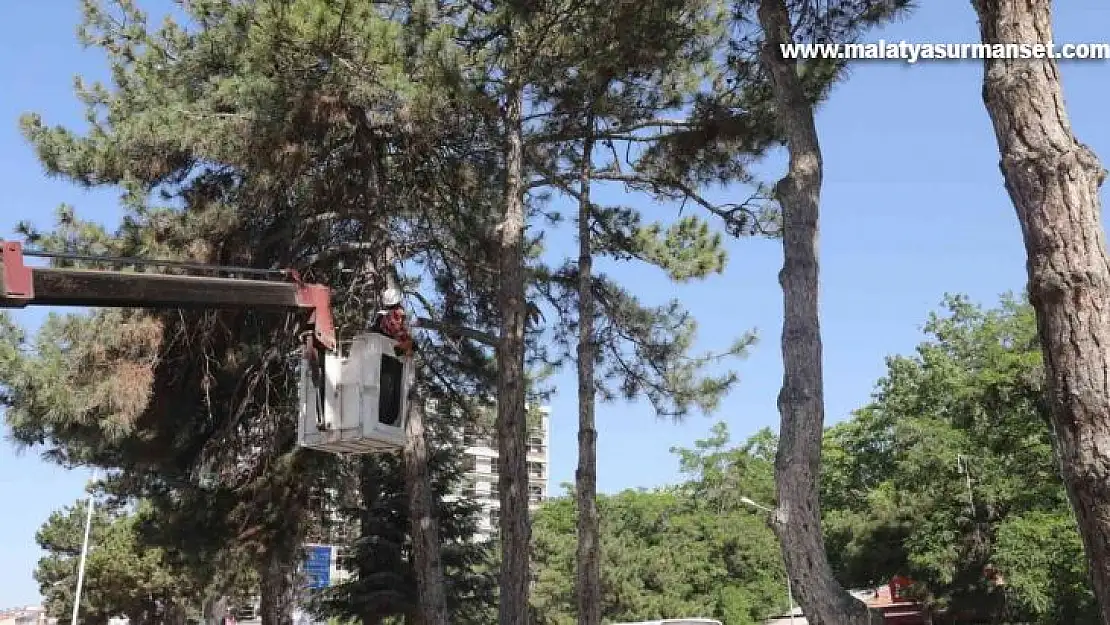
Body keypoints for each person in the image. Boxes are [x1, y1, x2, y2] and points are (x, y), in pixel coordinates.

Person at [370, 287, 414, 357]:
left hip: (380, 349)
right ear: (398, 302)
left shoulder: (382, 315)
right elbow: (398, 331)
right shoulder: (395, 315)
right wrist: (408, 348)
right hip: (386, 352)